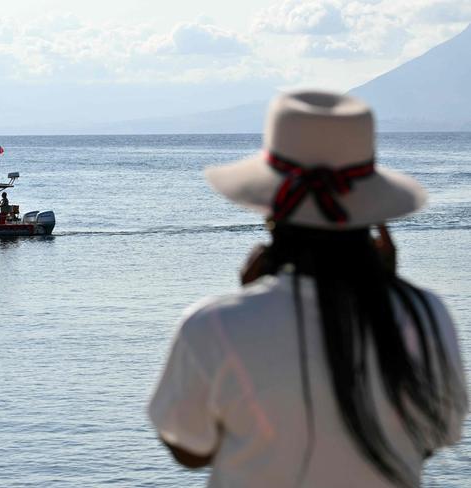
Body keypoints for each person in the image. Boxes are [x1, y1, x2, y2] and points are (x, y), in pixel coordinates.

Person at [148, 91, 468, 488]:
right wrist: (390, 291)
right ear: (370, 214)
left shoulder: (212, 325)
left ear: (271, 209)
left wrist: (247, 303)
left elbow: (190, 450)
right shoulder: (425, 316)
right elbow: (430, 438)